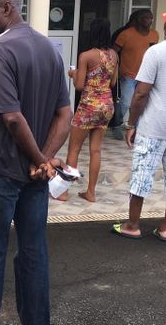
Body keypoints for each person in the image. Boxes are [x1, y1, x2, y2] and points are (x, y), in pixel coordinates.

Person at [0, 0, 72, 325]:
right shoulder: (49, 49)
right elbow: (64, 114)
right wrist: (44, 159)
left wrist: (38, 159)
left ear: (7, 8)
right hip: (34, 175)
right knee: (33, 251)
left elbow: (11, 117)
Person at [112, 9, 166, 243]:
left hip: (155, 122)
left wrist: (131, 124)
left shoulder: (155, 52)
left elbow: (141, 93)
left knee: (143, 172)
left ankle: (132, 225)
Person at [55, 18, 118, 202]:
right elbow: (113, 82)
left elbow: (79, 85)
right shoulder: (114, 55)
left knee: (74, 148)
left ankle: (64, 192)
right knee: (95, 150)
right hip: (107, 106)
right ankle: (91, 192)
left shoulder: (86, 56)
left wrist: (74, 74)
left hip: (89, 106)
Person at [113, 9, 159, 129]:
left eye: (151, 18)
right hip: (128, 74)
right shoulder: (126, 34)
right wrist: (116, 70)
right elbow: (114, 52)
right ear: (138, 19)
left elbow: (154, 53)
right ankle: (117, 124)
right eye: (146, 18)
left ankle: (137, 127)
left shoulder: (155, 34)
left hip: (146, 75)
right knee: (126, 102)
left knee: (142, 102)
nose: (149, 21)